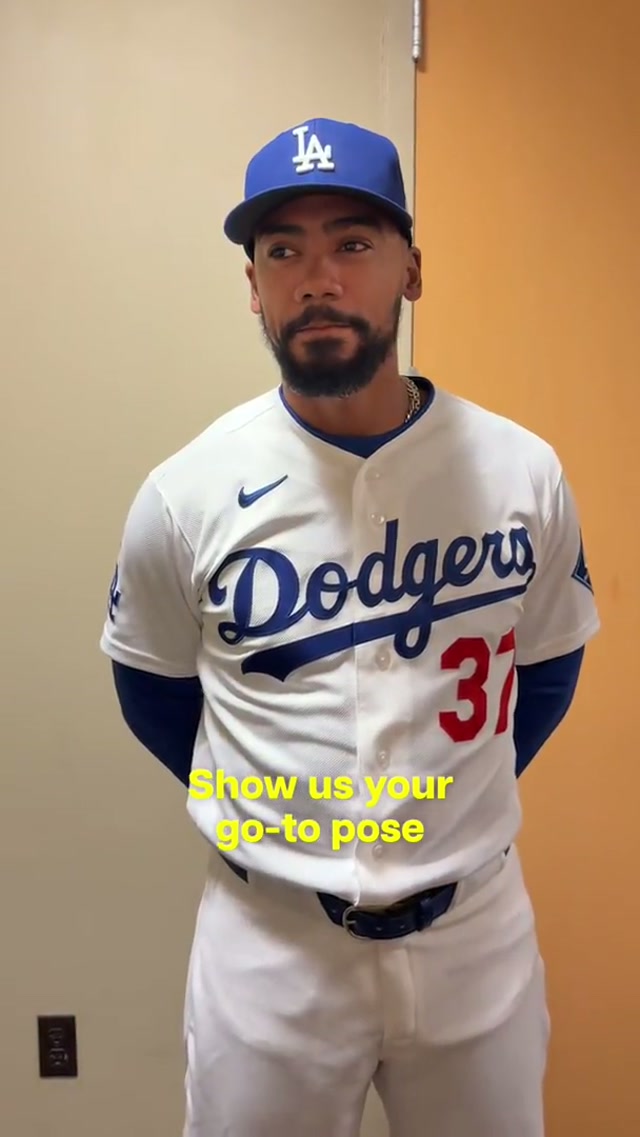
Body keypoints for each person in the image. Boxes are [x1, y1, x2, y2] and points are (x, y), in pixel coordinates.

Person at [100, 118, 600, 1137]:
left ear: (410, 269)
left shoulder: (521, 471)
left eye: (351, 244)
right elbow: (153, 690)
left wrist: (447, 806)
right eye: (282, 251)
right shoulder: (186, 491)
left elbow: (543, 669)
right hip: (270, 936)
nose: (316, 278)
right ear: (252, 285)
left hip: (474, 932)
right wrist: (275, 810)